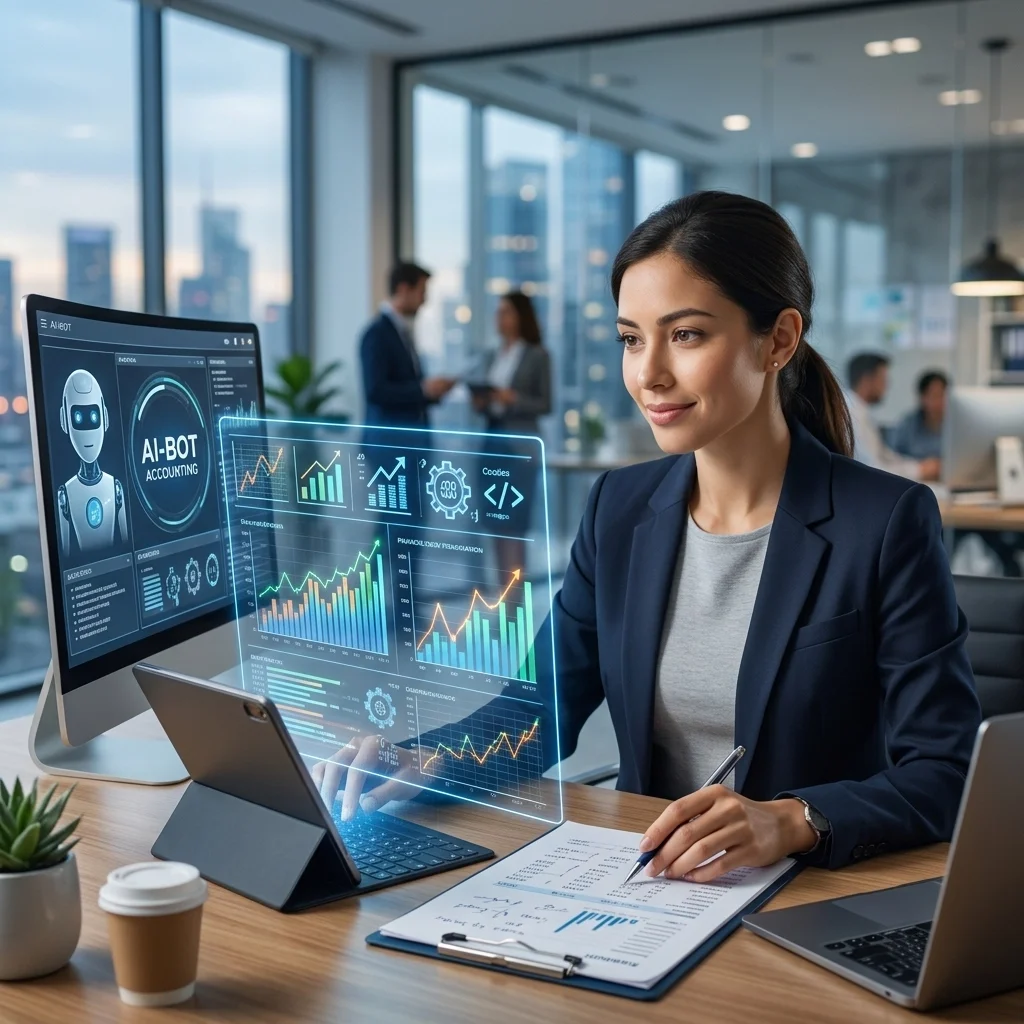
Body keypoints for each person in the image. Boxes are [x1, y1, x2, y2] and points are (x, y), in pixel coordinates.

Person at [315, 191, 980, 883]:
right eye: (631, 339)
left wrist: (792, 819)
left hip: (805, 901)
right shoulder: (619, 510)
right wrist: (425, 755)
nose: (648, 373)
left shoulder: (884, 521)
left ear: (779, 339)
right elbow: (540, 708)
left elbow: (946, 768)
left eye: (686, 334)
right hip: (647, 888)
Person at [473, 291, 552, 577]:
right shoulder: (493, 354)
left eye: (506, 311)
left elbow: (545, 403)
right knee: (495, 522)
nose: (499, 317)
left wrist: (512, 398)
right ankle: (501, 595)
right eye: (498, 311)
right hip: (491, 444)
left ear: (520, 316)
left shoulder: (537, 355)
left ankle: (515, 605)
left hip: (519, 451)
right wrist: (484, 401)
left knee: (515, 524)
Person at [359, 262, 455, 427]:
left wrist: (432, 391)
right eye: (421, 292)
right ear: (403, 289)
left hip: (407, 439)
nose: (424, 300)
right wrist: (424, 390)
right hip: (389, 443)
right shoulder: (377, 334)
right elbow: (376, 391)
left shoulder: (401, 331)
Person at [846, 353, 941, 482]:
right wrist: (920, 470)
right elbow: (874, 469)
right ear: (867, 380)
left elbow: (886, 456)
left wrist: (920, 467)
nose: (886, 386)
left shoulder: (860, 411)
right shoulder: (853, 415)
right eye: (883, 379)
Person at [891, 370, 948, 461]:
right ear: (922, 397)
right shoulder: (908, 424)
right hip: (912, 473)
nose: (939, 402)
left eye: (942, 395)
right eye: (934, 396)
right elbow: (894, 458)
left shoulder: (956, 426)